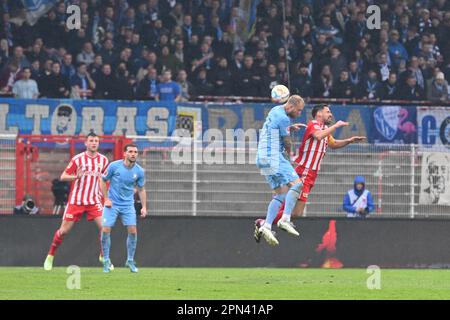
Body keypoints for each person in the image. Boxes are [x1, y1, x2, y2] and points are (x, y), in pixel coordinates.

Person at [254, 104, 366, 243]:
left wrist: (349, 141)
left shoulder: (325, 130)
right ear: (319, 114)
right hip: (304, 171)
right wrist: (336, 126)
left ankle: (264, 223)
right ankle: (267, 224)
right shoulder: (313, 124)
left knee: (297, 212)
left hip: (312, 174)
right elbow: (318, 136)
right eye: (328, 112)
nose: (330, 114)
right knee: (289, 206)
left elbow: (333, 144)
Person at [43, 133, 111, 271]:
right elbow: (63, 176)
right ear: (86, 143)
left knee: (105, 228)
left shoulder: (104, 160)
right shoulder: (78, 159)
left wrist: (106, 198)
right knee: (63, 231)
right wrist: (76, 176)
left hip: (94, 200)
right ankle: (50, 256)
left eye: (96, 141)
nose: (94, 143)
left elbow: (105, 180)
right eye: (91, 141)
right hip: (77, 200)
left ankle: (104, 257)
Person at [255, 95, 306, 246]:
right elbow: (286, 141)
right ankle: (285, 219)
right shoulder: (284, 118)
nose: (299, 114)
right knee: (298, 184)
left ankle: (267, 226)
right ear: (290, 107)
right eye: (298, 110)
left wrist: (289, 128)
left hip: (261, 157)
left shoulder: (275, 110)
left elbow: (274, 129)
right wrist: (291, 154)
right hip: (273, 155)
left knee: (281, 194)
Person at [100, 144, 147, 273]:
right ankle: (106, 260)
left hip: (128, 205)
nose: (133, 154)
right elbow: (103, 180)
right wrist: (106, 199)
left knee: (133, 231)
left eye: (135, 152)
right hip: (112, 204)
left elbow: (141, 189)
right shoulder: (114, 166)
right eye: (130, 151)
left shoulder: (139, 171)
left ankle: (130, 260)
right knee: (105, 230)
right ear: (124, 153)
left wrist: (144, 207)